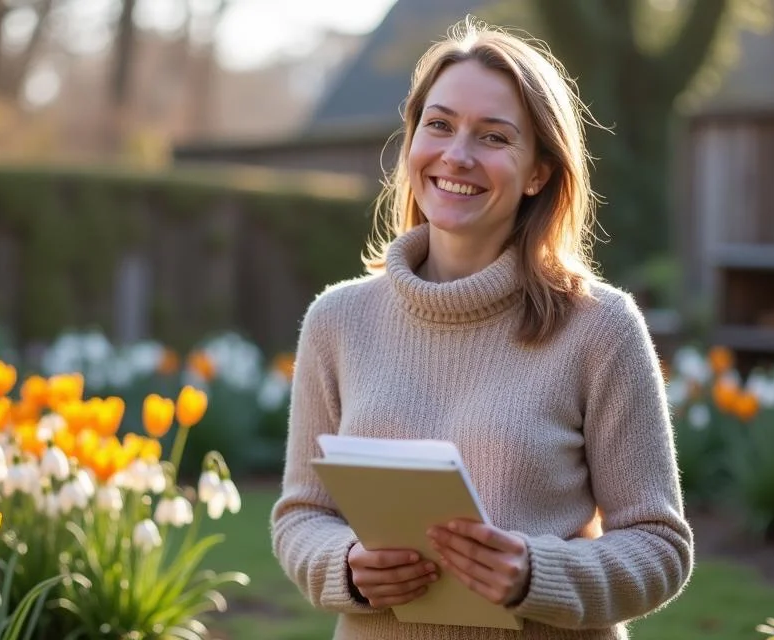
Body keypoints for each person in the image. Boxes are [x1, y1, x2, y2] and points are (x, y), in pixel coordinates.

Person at [270, 16, 694, 640]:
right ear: (413, 140)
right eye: (438, 125)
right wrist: (348, 568)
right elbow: (301, 516)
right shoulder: (338, 319)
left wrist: (536, 574)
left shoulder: (599, 329)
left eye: (493, 137)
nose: (457, 155)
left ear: (538, 173)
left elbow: (660, 547)